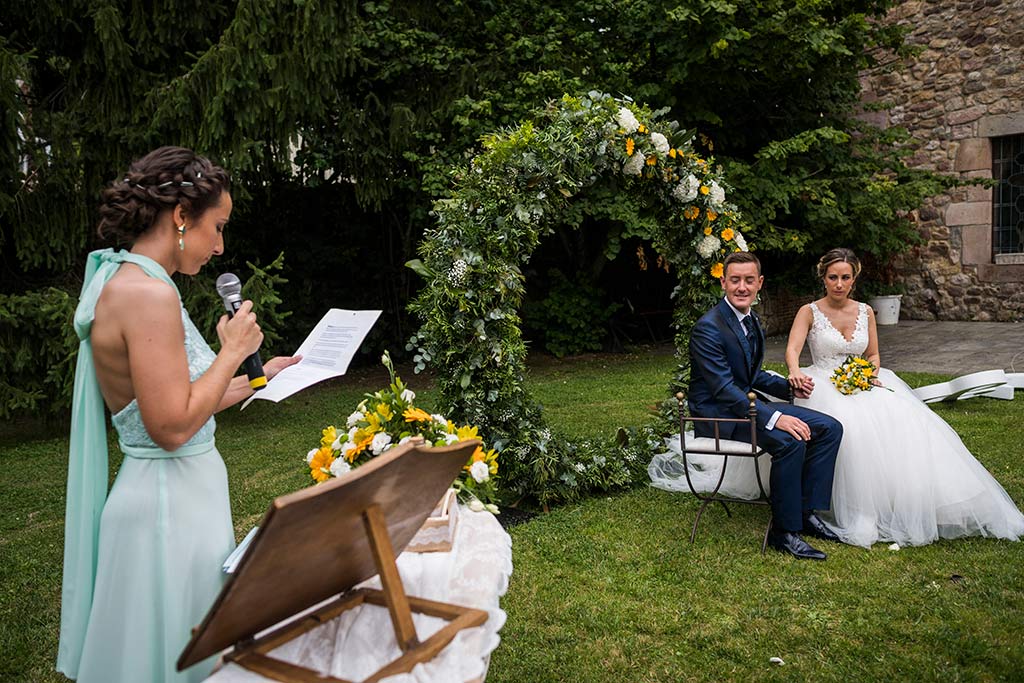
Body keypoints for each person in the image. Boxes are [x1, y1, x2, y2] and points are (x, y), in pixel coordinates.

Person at [57, 146, 300, 683]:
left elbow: (184, 399)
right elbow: (170, 427)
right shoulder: (147, 295)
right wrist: (233, 350)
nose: (220, 246)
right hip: (165, 509)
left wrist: (262, 375)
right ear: (182, 217)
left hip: (180, 498)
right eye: (218, 227)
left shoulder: (132, 279)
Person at [785, 247, 1024, 548]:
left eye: (845, 277)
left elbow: (872, 354)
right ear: (824, 278)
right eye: (833, 277)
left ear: (854, 278)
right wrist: (795, 371)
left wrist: (867, 375)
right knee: (850, 428)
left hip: (863, 381)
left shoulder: (865, 311)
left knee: (905, 422)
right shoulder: (809, 311)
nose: (839, 284)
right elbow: (793, 350)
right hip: (822, 382)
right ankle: (847, 505)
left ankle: (907, 500)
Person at [687, 251, 844, 560]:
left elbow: (751, 374)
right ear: (723, 283)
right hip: (721, 417)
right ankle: (784, 533)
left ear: (759, 283)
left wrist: (788, 386)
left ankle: (805, 513)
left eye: (748, 280)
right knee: (789, 442)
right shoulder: (708, 327)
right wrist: (774, 418)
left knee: (829, 428)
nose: (742, 287)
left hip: (744, 406)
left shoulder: (750, 319)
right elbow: (723, 389)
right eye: (735, 280)